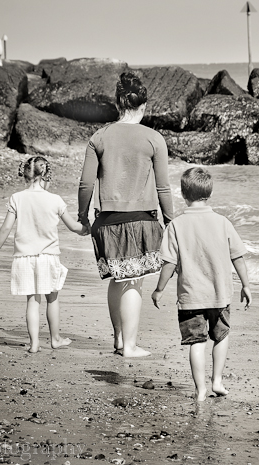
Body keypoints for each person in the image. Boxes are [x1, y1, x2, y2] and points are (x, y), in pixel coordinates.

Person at [78, 71, 174, 358]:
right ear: (143, 106)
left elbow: (85, 184)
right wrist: (170, 221)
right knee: (134, 280)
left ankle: (119, 339)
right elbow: (163, 187)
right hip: (140, 220)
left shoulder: (99, 137)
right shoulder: (154, 138)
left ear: (118, 104)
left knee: (117, 278)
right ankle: (130, 346)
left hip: (106, 221)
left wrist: (83, 216)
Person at [151, 167, 252, 401]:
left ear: (183, 194)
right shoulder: (223, 222)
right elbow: (238, 256)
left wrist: (159, 289)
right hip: (220, 295)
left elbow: (169, 262)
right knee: (221, 336)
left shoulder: (176, 225)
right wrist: (246, 285)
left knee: (196, 343)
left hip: (191, 297)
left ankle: (200, 390)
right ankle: (217, 380)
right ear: (210, 193)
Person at [0, 156, 84, 353]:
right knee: (52, 298)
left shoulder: (17, 198)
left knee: (32, 301)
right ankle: (55, 339)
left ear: (26, 174)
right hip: (48, 257)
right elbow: (73, 226)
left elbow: (6, 227)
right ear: (46, 175)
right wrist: (89, 228)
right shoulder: (55, 200)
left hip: (24, 258)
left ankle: (34, 344)